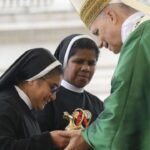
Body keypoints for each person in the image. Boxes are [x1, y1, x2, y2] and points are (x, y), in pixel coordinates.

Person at [64, 0, 150, 150]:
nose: (99, 43)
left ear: (111, 16)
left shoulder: (141, 40)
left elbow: (124, 108)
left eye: (97, 32)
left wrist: (88, 138)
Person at [0, 48, 71, 150]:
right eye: (53, 88)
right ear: (32, 79)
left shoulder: (26, 109)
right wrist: (49, 141)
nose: (53, 97)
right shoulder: (4, 104)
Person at [37, 34, 103, 133]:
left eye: (91, 63)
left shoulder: (98, 105)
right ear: (63, 62)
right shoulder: (45, 99)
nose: (86, 68)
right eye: (79, 61)